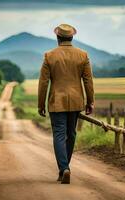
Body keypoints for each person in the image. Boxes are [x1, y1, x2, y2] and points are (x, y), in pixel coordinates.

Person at [37, 24, 94, 184]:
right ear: (72, 37)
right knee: (72, 134)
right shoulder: (83, 55)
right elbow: (88, 81)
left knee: (59, 135)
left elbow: (43, 83)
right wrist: (90, 101)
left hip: (57, 102)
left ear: (57, 38)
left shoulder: (49, 56)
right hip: (76, 101)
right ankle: (65, 167)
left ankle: (64, 169)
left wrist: (41, 104)